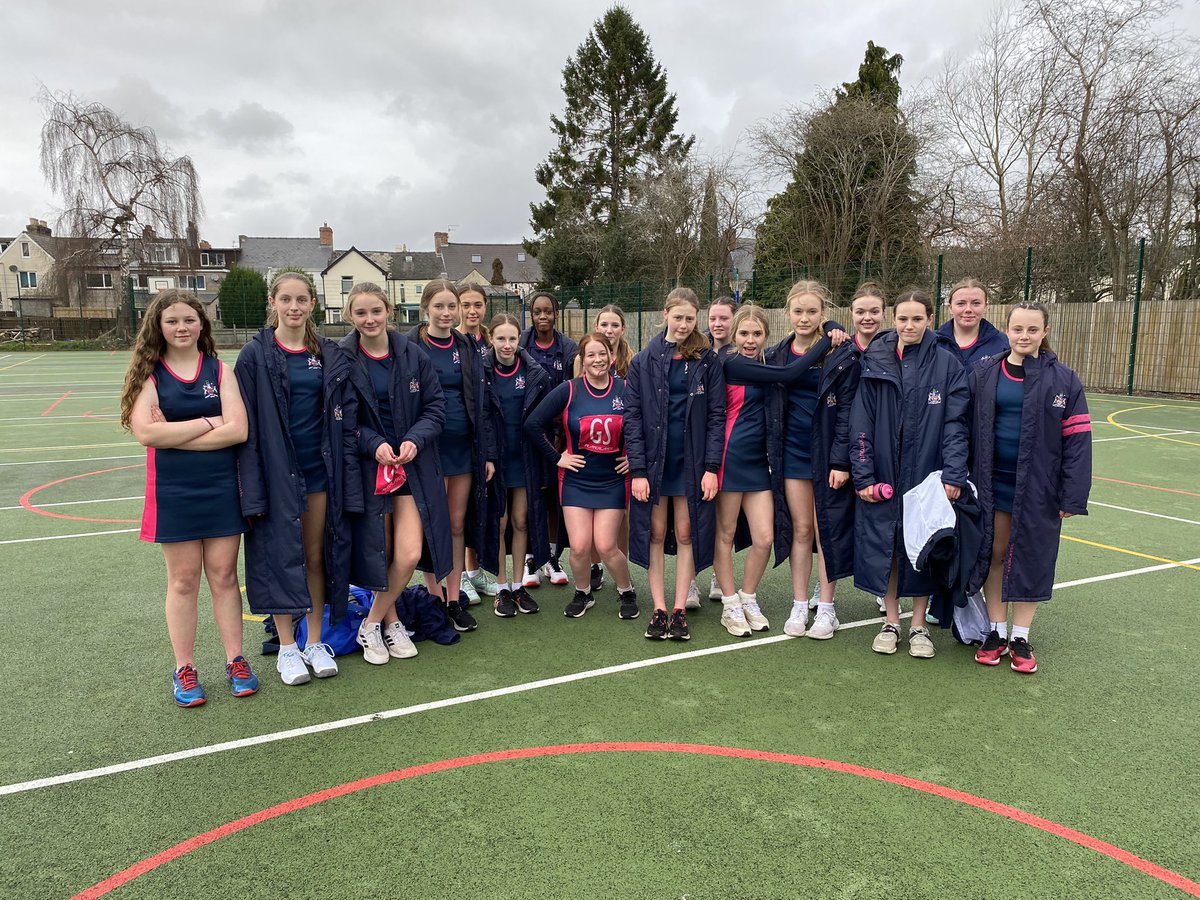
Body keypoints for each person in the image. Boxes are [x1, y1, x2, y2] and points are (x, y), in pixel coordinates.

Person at [122, 290, 254, 706]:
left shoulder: (220, 370)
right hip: (173, 492)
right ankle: (184, 668)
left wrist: (175, 435)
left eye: (189, 320)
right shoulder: (151, 375)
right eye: (172, 321)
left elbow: (238, 431)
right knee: (182, 582)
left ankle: (235, 660)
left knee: (224, 577)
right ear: (158, 327)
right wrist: (207, 421)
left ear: (202, 324)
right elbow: (147, 434)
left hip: (220, 488)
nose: (182, 328)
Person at [236, 270, 359, 686]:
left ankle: (314, 642)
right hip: (277, 473)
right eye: (285, 299)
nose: (294, 307)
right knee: (279, 557)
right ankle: (287, 647)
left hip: (319, 471)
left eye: (301, 299)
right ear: (272, 302)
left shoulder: (326, 352)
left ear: (312, 304)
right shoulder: (254, 356)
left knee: (314, 556)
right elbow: (247, 425)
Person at [968, 302, 1092, 674]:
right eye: (1017, 329)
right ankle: (995, 632)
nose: (1024, 336)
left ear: (1045, 332)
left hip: (1039, 488)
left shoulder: (1065, 380)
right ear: (1007, 331)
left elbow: (1078, 442)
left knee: (1031, 558)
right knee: (994, 554)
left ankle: (1020, 637)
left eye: (1032, 330)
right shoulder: (984, 372)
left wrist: (1071, 494)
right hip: (992, 484)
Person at [850, 288, 969, 659]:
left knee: (922, 547)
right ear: (893, 319)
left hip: (926, 475)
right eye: (903, 318)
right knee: (887, 547)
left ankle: (919, 625)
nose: (909, 325)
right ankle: (891, 620)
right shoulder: (875, 358)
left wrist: (953, 474)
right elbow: (861, 423)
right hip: (884, 472)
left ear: (930, 319)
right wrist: (864, 475)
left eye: (917, 318)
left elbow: (955, 425)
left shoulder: (948, 364)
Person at [340, 282, 450, 664]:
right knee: (378, 553)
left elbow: (436, 407)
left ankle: (370, 623)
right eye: (361, 313)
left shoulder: (412, 354)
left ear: (389, 311)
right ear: (349, 316)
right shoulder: (342, 358)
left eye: (376, 311)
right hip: (369, 470)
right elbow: (339, 420)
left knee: (408, 553)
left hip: (411, 468)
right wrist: (373, 444)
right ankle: (391, 623)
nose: (369, 319)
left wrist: (414, 441)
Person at [714, 304, 833, 637]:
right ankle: (729, 603)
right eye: (744, 334)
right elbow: (789, 375)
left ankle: (748, 596)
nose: (750, 340)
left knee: (765, 538)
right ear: (734, 336)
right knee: (724, 535)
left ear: (766, 336)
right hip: (730, 457)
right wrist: (828, 337)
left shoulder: (767, 360)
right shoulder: (733, 362)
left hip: (760, 463)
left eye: (757, 334)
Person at [626, 287, 726, 641]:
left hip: (692, 464)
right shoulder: (643, 360)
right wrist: (638, 471)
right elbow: (633, 419)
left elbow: (717, 417)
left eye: (690, 318)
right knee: (654, 533)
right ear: (665, 314)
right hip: (654, 466)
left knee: (686, 534)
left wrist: (711, 467)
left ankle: (680, 607)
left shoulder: (707, 360)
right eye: (678, 316)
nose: (684, 324)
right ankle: (658, 608)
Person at [525, 332, 639, 619]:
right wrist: (557, 457)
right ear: (582, 360)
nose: (598, 359)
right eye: (591, 355)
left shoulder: (626, 390)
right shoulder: (569, 390)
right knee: (578, 547)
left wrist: (636, 459)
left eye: (603, 354)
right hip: (576, 480)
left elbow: (647, 426)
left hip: (612, 480)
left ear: (612, 357)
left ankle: (626, 591)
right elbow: (532, 424)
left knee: (605, 545)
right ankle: (583, 592)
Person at [763, 281, 846, 639]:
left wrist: (841, 460)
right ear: (787, 314)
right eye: (798, 311)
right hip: (792, 455)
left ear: (823, 315)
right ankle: (799, 604)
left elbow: (847, 411)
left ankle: (826, 609)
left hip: (826, 456)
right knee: (801, 530)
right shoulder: (776, 354)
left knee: (825, 530)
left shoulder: (838, 351)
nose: (805, 317)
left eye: (813, 311)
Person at [413, 280, 496, 633]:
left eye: (452, 307)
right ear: (426, 309)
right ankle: (434, 600)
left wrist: (487, 452)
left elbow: (480, 401)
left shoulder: (467, 346)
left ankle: (453, 598)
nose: (447, 313)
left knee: (457, 522)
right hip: (428, 448)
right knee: (434, 524)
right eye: (440, 307)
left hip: (464, 446)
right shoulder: (411, 345)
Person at [481, 313, 553, 617]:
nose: (507, 344)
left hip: (524, 458)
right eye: (501, 338)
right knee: (499, 522)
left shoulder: (534, 372)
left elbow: (544, 420)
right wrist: (487, 455)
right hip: (495, 461)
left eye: (512, 339)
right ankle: (501, 588)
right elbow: (481, 418)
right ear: (491, 339)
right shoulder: (481, 371)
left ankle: (519, 585)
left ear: (519, 341)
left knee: (521, 521)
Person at [572, 303, 634, 593]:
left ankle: (622, 576)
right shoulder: (584, 360)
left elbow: (640, 418)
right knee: (588, 534)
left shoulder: (633, 364)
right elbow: (573, 406)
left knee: (618, 524)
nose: (609, 330)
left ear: (623, 329)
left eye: (614, 325)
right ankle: (594, 569)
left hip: (620, 463)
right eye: (604, 325)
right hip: (588, 463)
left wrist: (634, 454)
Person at [519, 290, 578, 588]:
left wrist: (561, 432)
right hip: (527, 435)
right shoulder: (519, 345)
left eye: (548, 311)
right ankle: (532, 558)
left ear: (556, 314)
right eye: (537, 311)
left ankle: (553, 557)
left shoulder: (568, 349)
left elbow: (574, 392)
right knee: (532, 497)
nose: (543, 316)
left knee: (557, 499)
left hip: (558, 436)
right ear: (531, 314)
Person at [457, 283, 498, 603]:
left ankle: (474, 572)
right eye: (466, 304)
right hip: (457, 437)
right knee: (457, 514)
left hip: (485, 435)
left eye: (478, 305)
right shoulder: (451, 341)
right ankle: (457, 577)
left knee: (478, 509)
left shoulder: (491, 341)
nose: (472, 311)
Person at [936, 277, 1009, 371]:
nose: (968, 309)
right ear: (950, 308)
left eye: (976, 303)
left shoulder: (1002, 343)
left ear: (986, 307)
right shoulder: (933, 342)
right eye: (961, 304)